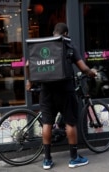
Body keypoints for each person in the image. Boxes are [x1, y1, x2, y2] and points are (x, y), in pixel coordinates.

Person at [25, 22, 97, 170]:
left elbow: (27, 65)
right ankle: (74, 158)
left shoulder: (41, 45)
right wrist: (91, 72)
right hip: (65, 90)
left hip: (46, 90)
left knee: (47, 123)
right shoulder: (68, 45)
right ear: (65, 34)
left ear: (53, 32)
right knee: (70, 123)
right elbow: (82, 68)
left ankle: (47, 160)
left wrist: (29, 81)